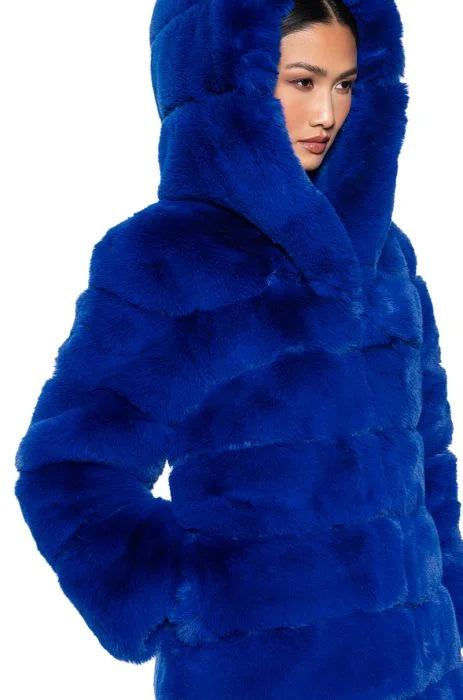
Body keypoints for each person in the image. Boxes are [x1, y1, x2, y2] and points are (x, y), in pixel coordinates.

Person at [14, 0, 463, 697]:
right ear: (227, 84)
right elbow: (69, 469)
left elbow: (428, 455)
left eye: (346, 84)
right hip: (263, 679)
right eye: (302, 81)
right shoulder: (169, 258)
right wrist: (188, 598)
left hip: (423, 673)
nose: (326, 113)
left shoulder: (387, 258)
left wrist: (448, 598)